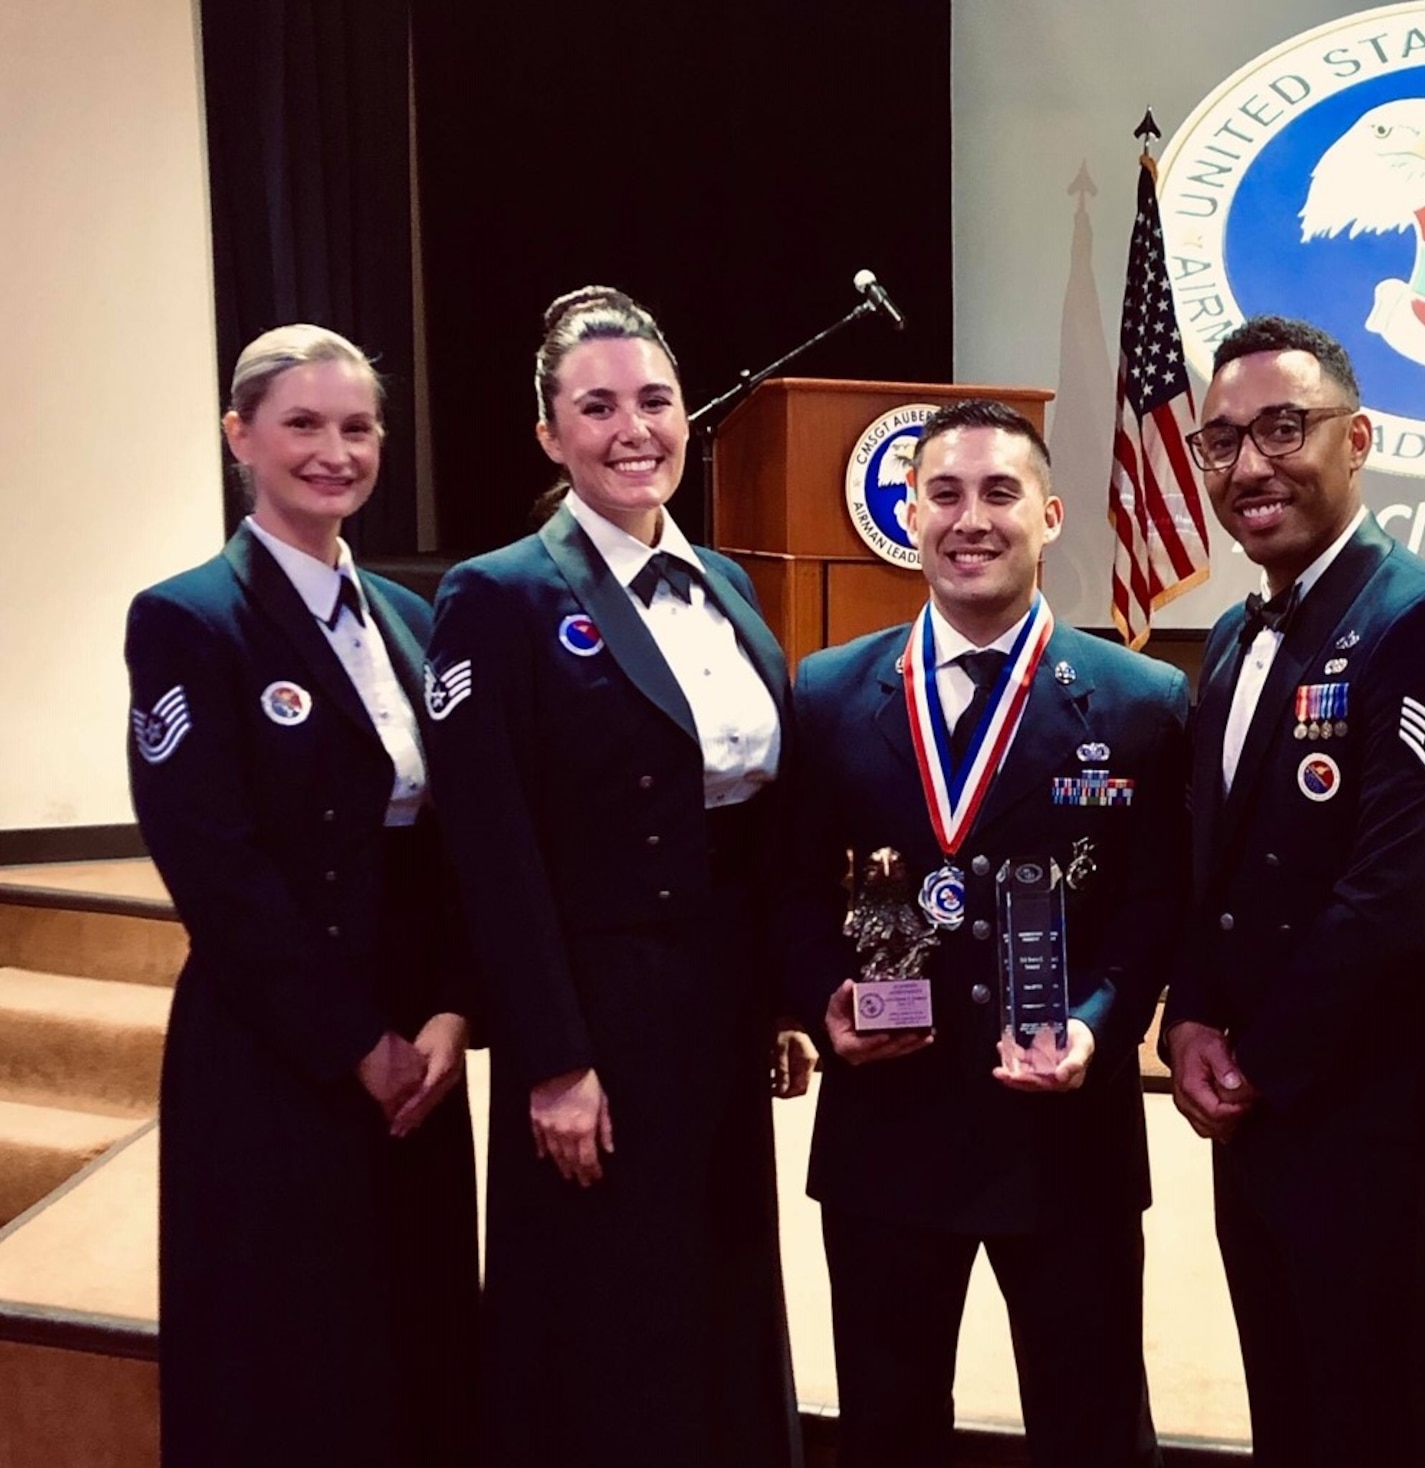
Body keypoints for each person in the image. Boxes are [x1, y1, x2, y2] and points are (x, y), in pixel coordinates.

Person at [422, 286, 811, 1466]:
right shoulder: (497, 595)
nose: (632, 428)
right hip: (594, 1016)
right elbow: (487, 850)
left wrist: (780, 995)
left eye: (653, 400)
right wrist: (551, 1059)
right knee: (604, 1311)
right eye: (596, 407)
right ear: (549, 435)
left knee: (720, 1279)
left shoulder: (731, 585)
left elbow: (757, 818)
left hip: (713, 1007)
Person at [785, 399, 1188, 1468]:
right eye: (946, 493)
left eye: (999, 493)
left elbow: (1155, 906)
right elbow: (782, 893)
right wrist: (824, 1003)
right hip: (887, 1127)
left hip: (1063, 1140)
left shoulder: (1140, 701)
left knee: (1092, 1424)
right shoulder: (826, 693)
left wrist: (1100, 1028)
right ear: (908, 514)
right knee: (884, 1426)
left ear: (1049, 515)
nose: (972, 519)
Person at [1159, 315, 1425, 1465]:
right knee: (1290, 1418)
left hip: (1381, 1123)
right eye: (1221, 442)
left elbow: (1397, 899)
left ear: (1356, 437)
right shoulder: (1230, 635)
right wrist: (1188, 1020)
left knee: (1378, 1424)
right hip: (1257, 1114)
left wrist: (1253, 1057)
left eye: (1282, 428)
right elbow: (1209, 873)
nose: (1248, 464)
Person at [125, 325, 478, 1467]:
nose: (335, 452)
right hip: (278, 1042)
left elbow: (451, 845)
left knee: (411, 1333)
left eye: (357, 427)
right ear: (241, 436)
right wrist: (352, 1042)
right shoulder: (189, 619)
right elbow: (215, 867)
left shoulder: (416, 621)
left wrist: (444, 1015)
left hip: (414, 1047)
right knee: (285, 1351)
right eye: (303, 425)